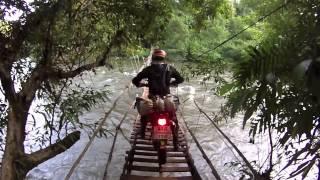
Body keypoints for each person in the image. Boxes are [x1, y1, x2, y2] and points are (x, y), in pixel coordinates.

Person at [132, 49, 184, 150]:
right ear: (163, 58)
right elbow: (181, 79)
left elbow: (135, 80)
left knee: (144, 117)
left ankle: (142, 132)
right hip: (166, 97)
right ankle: (175, 142)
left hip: (153, 98)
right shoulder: (170, 68)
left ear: (153, 58)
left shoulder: (148, 69)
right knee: (174, 119)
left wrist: (141, 84)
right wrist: (171, 83)